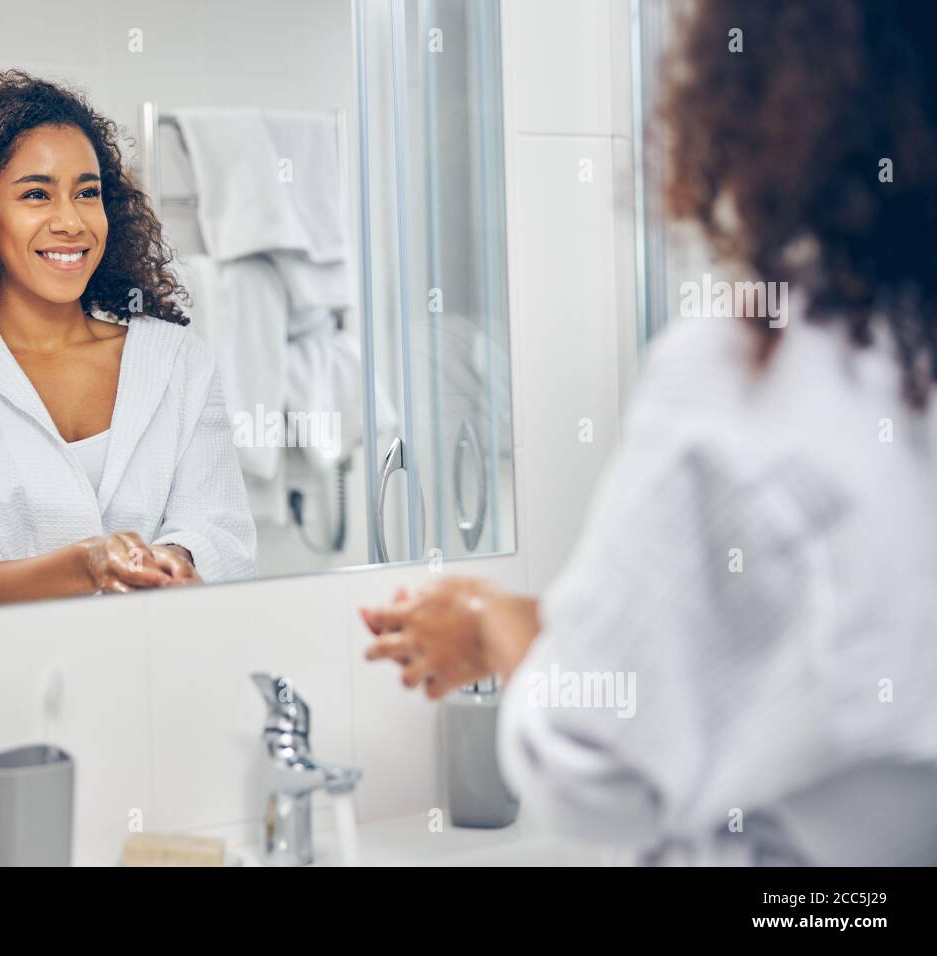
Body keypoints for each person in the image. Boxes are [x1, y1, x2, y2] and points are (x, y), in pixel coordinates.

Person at [361, 0, 937, 865]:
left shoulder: (756, 370)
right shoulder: (900, 354)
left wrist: (486, 622)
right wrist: (532, 619)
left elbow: (595, 774)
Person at [0, 70, 256, 614]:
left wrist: (167, 560)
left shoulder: (177, 361)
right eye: (37, 194)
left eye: (87, 193)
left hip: (164, 669)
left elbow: (219, 531)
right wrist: (88, 564)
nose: (71, 221)